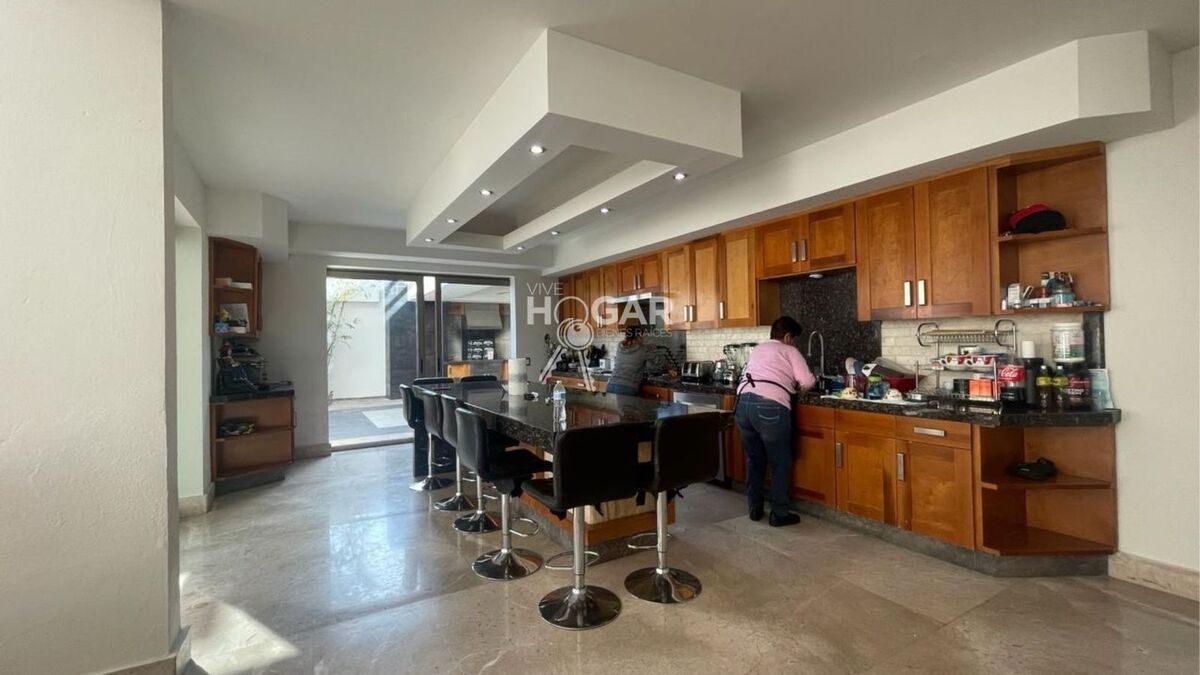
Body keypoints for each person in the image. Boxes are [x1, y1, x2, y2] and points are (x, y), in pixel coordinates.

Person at [734, 316, 816, 526]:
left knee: (755, 458)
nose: (794, 343)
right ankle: (779, 513)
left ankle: (754, 508)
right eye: (794, 339)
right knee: (780, 461)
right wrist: (798, 388)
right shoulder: (789, 350)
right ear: (788, 337)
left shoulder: (758, 349)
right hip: (769, 406)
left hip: (742, 404)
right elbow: (807, 381)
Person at [605, 326, 649, 396]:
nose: (643, 338)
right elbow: (659, 362)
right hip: (628, 387)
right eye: (641, 335)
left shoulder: (620, 346)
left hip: (611, 384)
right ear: (638, 336)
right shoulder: (643, 349)